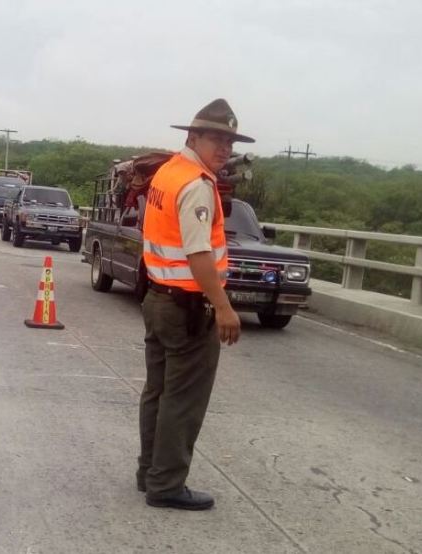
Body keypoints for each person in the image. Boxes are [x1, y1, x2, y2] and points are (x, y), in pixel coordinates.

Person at [137, 98, 252, 511]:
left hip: (158, 297)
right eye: (216, 139)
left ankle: (149, 470)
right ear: (193, 136)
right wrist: (223, 306)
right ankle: (166, 484)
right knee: (181, 400)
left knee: (158, 391)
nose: (224, 148)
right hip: (187, 307)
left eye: (229, 141)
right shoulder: (196, 184)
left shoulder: (168, 172)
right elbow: (199, 253)